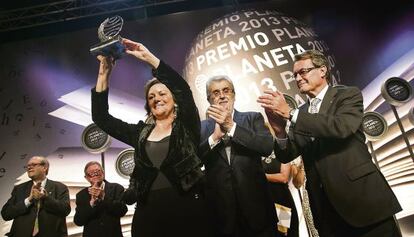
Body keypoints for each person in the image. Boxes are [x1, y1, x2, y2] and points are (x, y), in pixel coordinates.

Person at [257, 49, 402, 237]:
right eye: (295, 75)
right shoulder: (301, 111)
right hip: (327, 212)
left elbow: (341, 128)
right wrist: (279, 130)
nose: (298, 78)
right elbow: (287, 154)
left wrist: (291, 114)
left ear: (323, 70)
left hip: (364, 202)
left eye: (303, 72)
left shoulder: (347, 95)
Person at [91, 38, 212, 237]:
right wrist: (104, 74)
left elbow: (183, 89)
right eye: (151, 96)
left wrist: (148, 58)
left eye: (162, 93)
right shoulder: (140, 134)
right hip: (149, 212)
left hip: (187, 208)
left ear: (175, 101)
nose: (157, 98)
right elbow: (101, 118)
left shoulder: (186, 127)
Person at [199, 75, 277, 237]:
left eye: (226, 91)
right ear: (209, 99)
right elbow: (194, 160)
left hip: (258, 211)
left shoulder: (252, 117)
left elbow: (266, 146)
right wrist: (214, 138)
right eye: (215, 92)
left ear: (234, 95)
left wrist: (231, 127)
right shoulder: (201, 127)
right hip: (222, 216)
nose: (221, 96)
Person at [1, 156, 71, 237]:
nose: (29, 167)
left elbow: (65, 210)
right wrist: (28, 200)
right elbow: (6, 214)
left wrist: (46, 198)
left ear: (44, 167)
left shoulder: (60, 187)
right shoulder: (19, 188)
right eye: (28, 166)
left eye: (33, 164)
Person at [74, 161, 127, 237]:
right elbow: (78, 221)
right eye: (91, 173)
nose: (95, 174)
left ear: (103, 173)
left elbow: (122, 211)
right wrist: (91, 204)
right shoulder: (81, 195)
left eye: (98, 171)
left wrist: (103, 197)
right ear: (86, 178)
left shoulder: (116, 188)